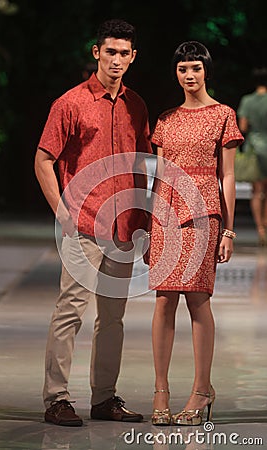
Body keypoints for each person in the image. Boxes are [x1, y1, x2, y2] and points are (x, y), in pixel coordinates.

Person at [34, 18, 152, 427]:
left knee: (113, 317)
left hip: (124, 227)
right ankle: (57, 398)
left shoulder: (137, 105)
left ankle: (104, 398)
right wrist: (62, 212)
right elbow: (43, 160)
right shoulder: (70, 103)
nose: (116, 60)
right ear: (96, 52)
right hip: (83, 223)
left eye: (124, 53)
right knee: (70, 311)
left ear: (132, 57)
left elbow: (141, 166)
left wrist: (146, 222)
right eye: (110, 51)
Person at [147, 41, 244, 426]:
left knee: (197, 300)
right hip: (165, 214)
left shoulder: (223, 114)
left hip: (204, 213)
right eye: (183, 69)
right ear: (175, 73)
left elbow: (229, 174)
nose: (190, 75)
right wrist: (150, 225)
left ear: (207, 71)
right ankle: (161, 391)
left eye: (196, 69)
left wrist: (230, 230)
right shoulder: (166, 119)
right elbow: (158, 174)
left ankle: (202, 389)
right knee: (164, 300)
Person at [237, 68, 267, 246]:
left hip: (255, 148)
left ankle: (260, 229)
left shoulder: (247, 101)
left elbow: (243, 127)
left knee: (257, 191)